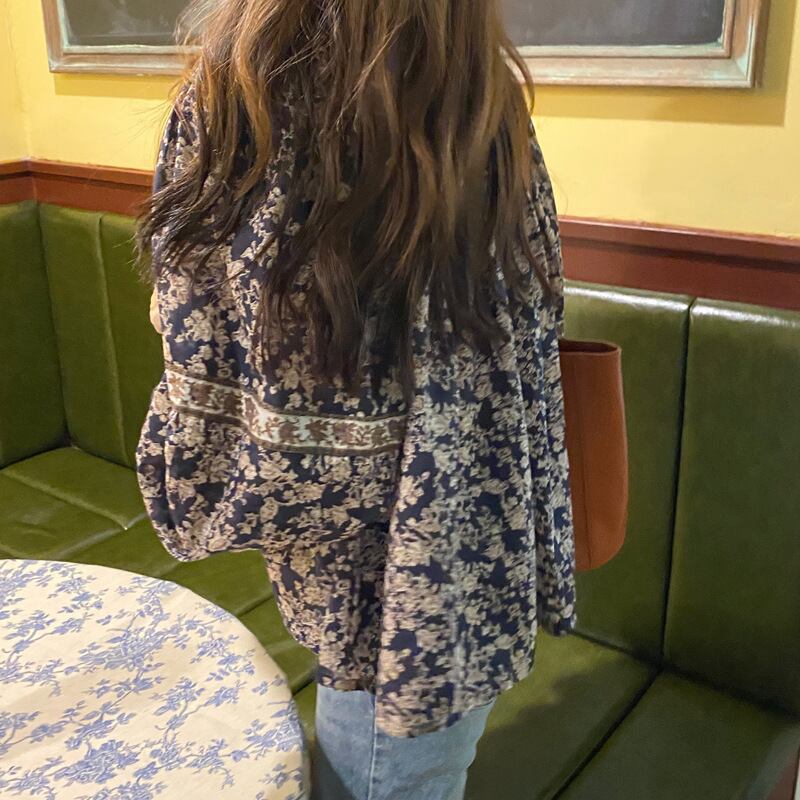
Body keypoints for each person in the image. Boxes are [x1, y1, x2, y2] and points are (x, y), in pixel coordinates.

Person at [136, 1, 578, 798]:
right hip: (479, 540)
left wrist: (188, 480)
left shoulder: (248, 93)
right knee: (420, 763)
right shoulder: (483, 95)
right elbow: (537, 321)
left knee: (383, 768)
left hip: (373, 583)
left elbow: (212, 358)